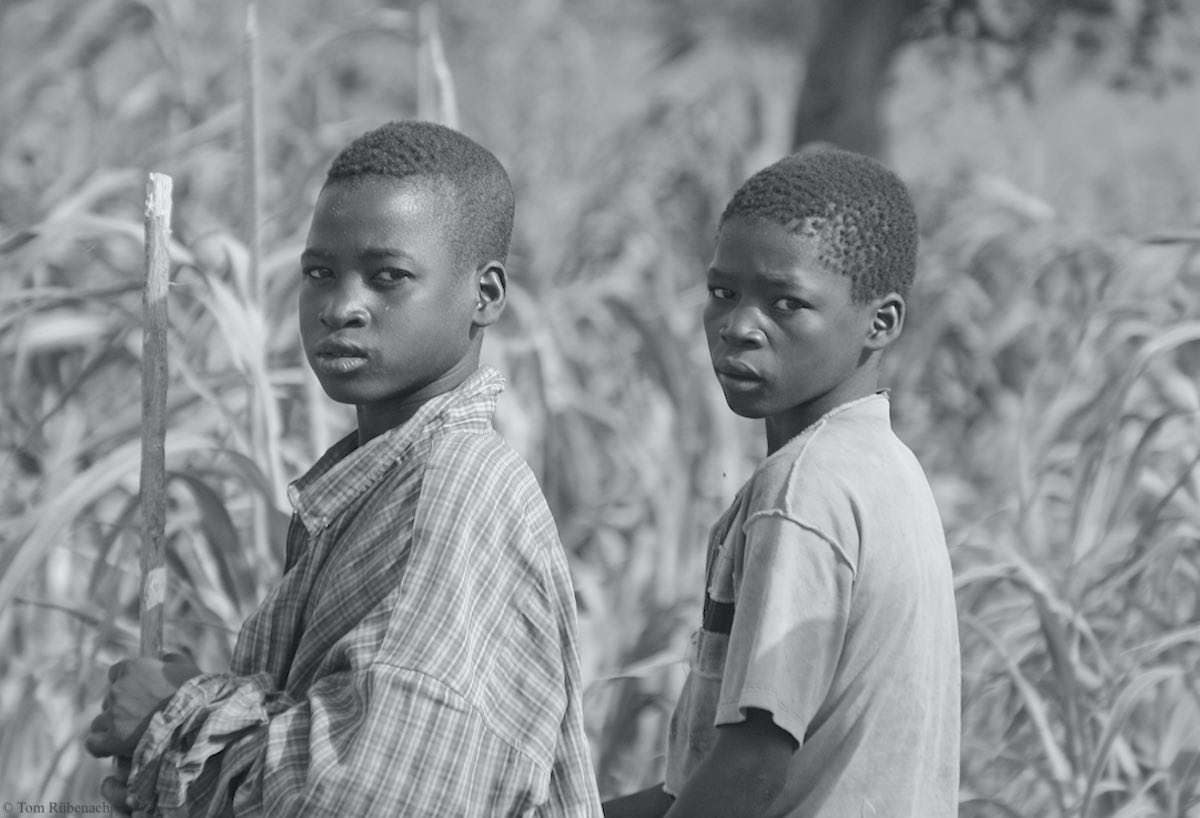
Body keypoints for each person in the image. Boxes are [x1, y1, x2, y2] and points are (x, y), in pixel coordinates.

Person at [86, 120, 603, 817]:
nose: (340, 307)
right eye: (319, 274)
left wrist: (173, 718)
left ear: (485, 296)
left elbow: (365, 797)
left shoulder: (450, 492)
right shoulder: (373, 486)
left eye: (387, 277)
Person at [602, 147, 960, 817]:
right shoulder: (886, 469)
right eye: (721, 293)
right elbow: (698, 785)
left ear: (879, 323)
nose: (738, 328)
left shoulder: (804, 493)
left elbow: (751, 766)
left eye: (786, 304)